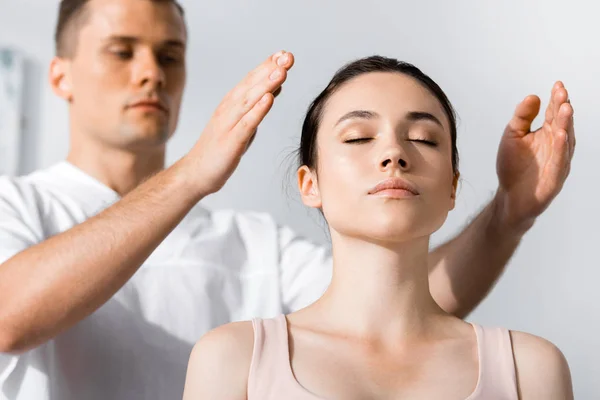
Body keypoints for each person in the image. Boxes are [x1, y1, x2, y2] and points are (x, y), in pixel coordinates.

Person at [0, 0, 575, 399]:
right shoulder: (18, 206)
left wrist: (508, 215)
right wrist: (194, 173)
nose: (150, 73)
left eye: (170, 55)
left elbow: (405, 305)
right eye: (121, 52)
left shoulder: (253, 245)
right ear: (60, 75)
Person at [183, 56, 574, 400]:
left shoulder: (530, 371)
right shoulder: (234, 360)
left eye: (424, 139)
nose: (394, 154)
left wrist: (511, 207)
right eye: (358, 137)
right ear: (310, 184)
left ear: (452, 188)